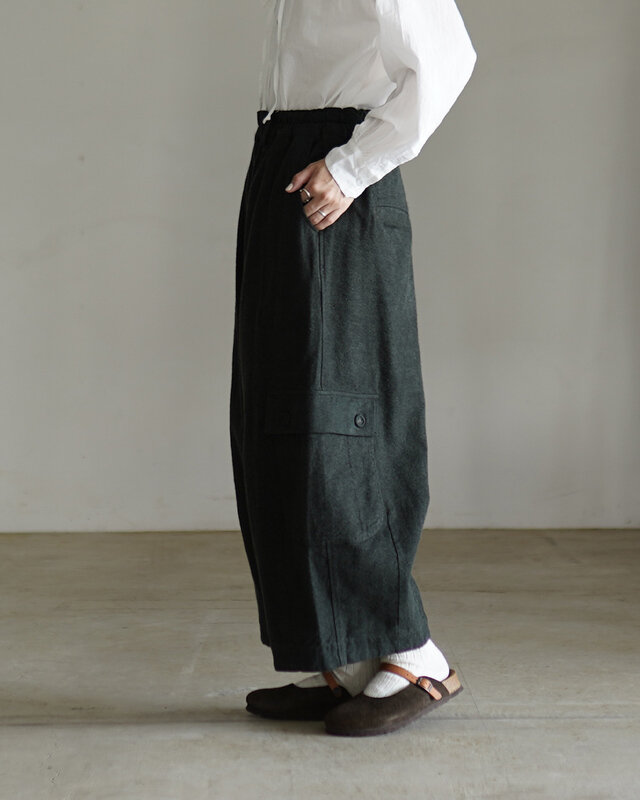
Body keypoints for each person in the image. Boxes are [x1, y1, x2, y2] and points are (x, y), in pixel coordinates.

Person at [230, 0, 477, 737]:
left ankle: (414, 655)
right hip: (284, 152)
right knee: (278, 420)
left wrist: (350, 166)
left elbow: (448, 58)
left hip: (337, 167)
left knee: (345, 420)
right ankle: (346, 656)